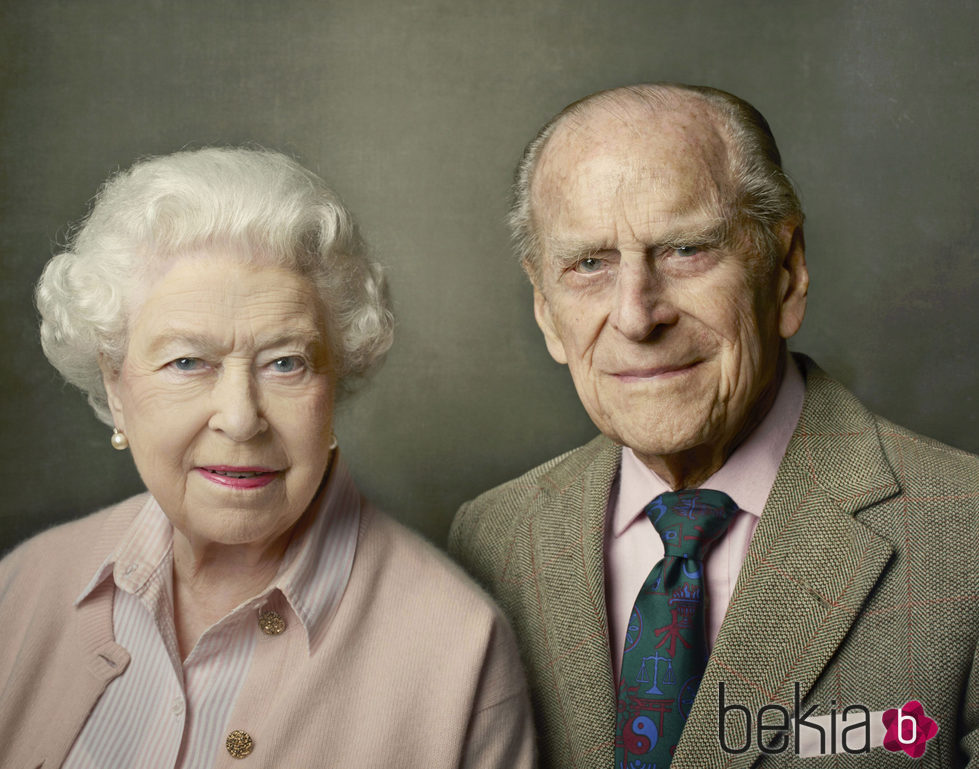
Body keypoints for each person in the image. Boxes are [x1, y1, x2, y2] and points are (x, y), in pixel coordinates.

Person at [449, 84, 978, 768]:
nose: (637, 316)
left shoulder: (965, 535)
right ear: (546, 310)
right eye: (588, 264)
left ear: (785, 273)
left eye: (686, 249)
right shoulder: (488, 540)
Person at [0, 147, 535, 769]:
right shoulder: (25, 586)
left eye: (286, 363)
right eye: (187, 362)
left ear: (336, 382)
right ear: (116, 387)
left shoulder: (459, 651)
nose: (240, 416)